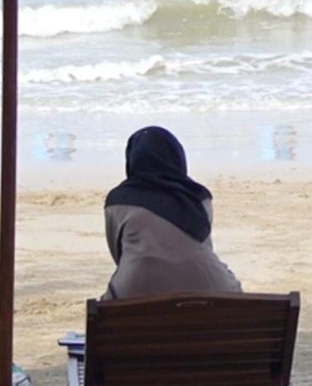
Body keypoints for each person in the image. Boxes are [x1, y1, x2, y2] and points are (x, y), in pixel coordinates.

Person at [103, 126, 241, 300]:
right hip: (213, 289)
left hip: (135, 292)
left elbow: (119, 255)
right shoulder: (200, 197)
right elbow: (202, 247)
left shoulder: (118, 201)